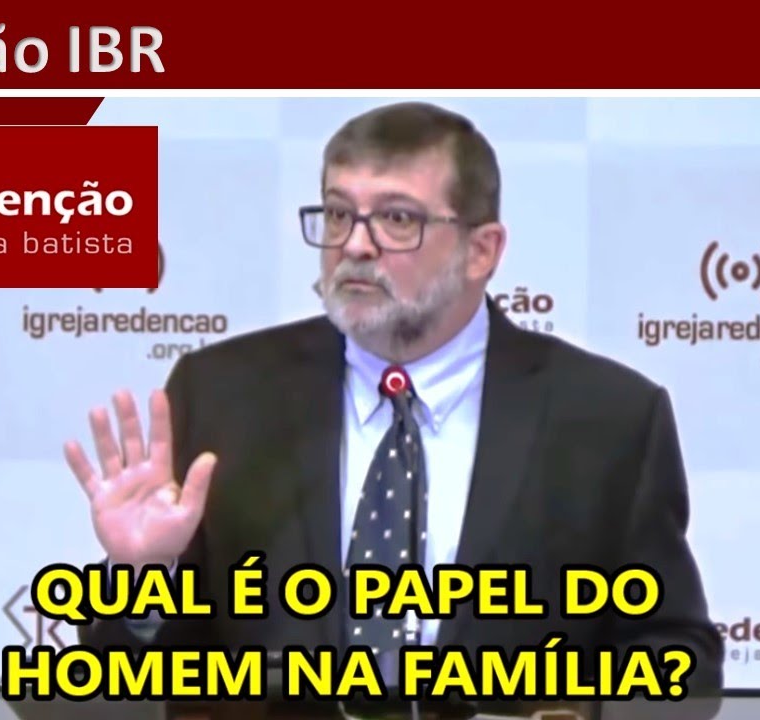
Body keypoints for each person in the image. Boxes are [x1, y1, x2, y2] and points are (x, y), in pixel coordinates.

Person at [65, 101, 723, 716]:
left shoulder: (608, 419)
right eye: (338, 214)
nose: (355, 245)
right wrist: (140, 579)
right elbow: (122, 684)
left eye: (398, 219)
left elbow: (680, 663)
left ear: (481, 250)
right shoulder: (223, 394)